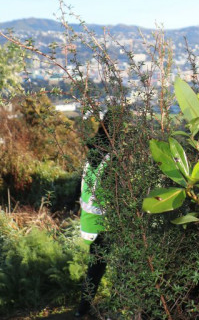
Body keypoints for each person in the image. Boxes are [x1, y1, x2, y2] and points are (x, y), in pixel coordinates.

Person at [75, 112, 114, 318]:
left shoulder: (94, 154)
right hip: (105, 223)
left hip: (91, 222)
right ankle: (115, 310)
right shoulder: (112, 158)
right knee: (122, 268)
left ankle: (81, 310)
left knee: (95, 269)